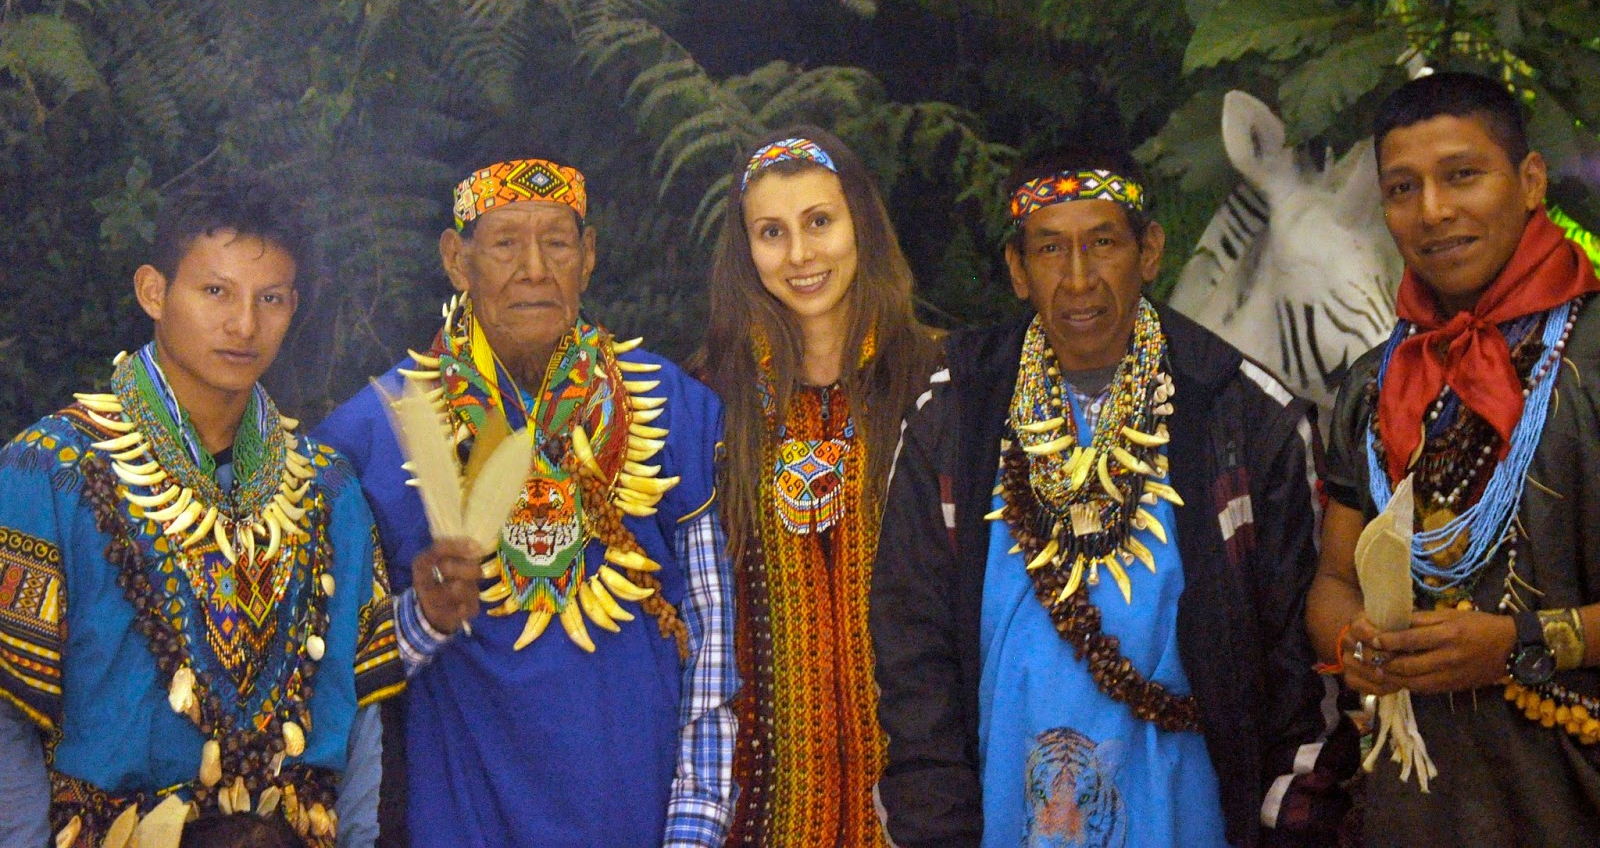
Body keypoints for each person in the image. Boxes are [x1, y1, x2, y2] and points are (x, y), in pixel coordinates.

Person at [870, 147, 1354, 847]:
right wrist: (933, 828)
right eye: (1049, 249)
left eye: (1102, 243)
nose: (1077, 280)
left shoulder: (1244, 415)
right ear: (1016, 269)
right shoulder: (955, 415)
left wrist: (1288, 828)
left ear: (1149, 250)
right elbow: (911, 652)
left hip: (1194, 818)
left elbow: (1302, 674)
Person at [314, 158, 736, 847]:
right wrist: (423, 616)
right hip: (458, 822)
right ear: (458, 260)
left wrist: (694, 830)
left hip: (642, 817)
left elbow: (713, 651)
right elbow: (329, 669)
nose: (534, 267)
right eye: (505, 243)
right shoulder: (376, 433)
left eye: (558, 242)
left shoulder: (674, 410)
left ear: (589, 256)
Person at [0, 177, 405, 847]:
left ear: (292, 305)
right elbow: (9, 718)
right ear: (154, 291)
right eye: (215, 291)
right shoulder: (49, 471)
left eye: (270, 298)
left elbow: (360, 717)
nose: (244, 324)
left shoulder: (329, 489)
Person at [1308, 71, 1600, 843]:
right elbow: (1334, 580)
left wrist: (1517, 645)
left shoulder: (1593, 359)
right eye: (1403, 188)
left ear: (1530, 180)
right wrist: (1355, 643)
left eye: (1462, 175)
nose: (1433, 211)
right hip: (1419, 805)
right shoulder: (1375, 385)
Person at [694, 128, 941, 845]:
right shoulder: (708, 406)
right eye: (772, 232)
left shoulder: (941, 389)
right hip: (758, 817)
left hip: (923, 813)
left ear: (860, 223)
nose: (800, 255)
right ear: (746, 253)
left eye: (819, 222)